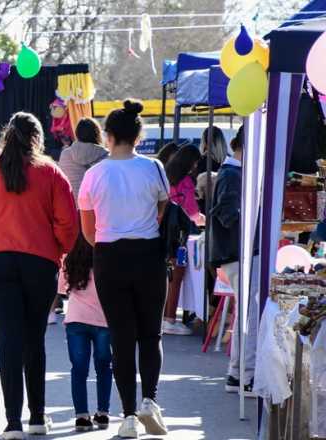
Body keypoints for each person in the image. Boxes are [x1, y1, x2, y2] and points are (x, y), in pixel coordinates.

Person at [0, 112, 78, 439]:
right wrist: (57, 251)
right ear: (37, 139)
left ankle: (13, 422)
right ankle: (38, 417)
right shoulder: (51, 173)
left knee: (8, 344)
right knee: (33, 341)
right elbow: (68, 223)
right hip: (39, 264)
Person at [78, 99, 170, 438]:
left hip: (109, 257)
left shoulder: (93, 174)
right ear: (137, 135)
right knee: (151, 334)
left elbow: (88, 230)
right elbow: (162, 210)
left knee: (121, 336)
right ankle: (150, 399)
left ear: (109, 136)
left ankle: (128, 416)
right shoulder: (153, 168)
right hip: (148, 255)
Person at [209, 127, 259, 397]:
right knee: (248, 316)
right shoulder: (232, 174)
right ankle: (244, 375)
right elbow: (227, 214)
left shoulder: (234, 173)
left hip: (239, 254)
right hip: (239, 254)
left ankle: (238, 373)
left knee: (245, 315)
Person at [59, 235, 112, 432]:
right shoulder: (107, 259)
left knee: (79, 370)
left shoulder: (69, 258)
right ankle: (103, 413)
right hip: (104, 320)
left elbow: (63, 289)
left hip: (76, 319)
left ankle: (81, 416)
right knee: (104, 368)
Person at [163, 144, 205, 337]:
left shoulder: (165, 175)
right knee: (177, 276)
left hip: (162, 235)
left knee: (165, 277)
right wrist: (204, 219)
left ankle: (163, 317)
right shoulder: (186, 181)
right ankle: (170, 319)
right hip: (180, 239)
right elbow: (192, 212)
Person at [57, 117, 108, 196]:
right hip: (97, 205)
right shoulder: (106, 156)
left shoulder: (65, 155)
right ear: (97, 134)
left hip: (71, 205)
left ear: (77, 133)